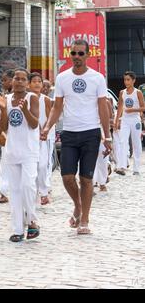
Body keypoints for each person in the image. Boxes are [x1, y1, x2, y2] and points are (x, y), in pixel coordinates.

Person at [41, 39, 112, 235]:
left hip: (91, 133)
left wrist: (107, 136)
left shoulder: (97, 78)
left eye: (81, 53)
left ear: (87, 55)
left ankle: (85, 220)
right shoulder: (62, 78)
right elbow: (57, 107)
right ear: (69, 55)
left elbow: (103, 108)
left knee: (86, 179)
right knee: (67, 177)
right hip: (70, 133)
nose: (77, 57)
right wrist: (47, 127)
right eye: (74, 53)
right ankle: (78, 206)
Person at [0, 68, 41, 242]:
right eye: (17, 78)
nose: (20, 81)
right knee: (14, 191)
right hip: (12, 151)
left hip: (29, 151)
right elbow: (4, 127)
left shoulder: (32, 98)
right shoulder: (6, 99)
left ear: (28, 83)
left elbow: (34, 124)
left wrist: (25, 111)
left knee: (27, 186)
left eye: (23, 79)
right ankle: (17, 229)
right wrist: (3, 109)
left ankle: (32, 221)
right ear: (12, 81)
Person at [29, 72, 53, 205]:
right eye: (34, 81)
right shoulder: (26, 98)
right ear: (29, 84)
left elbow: (50, 117)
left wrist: (45, 129)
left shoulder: (45, 99)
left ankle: (44, 191)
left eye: (39, 81)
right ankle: (34, 191)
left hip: (43, 137)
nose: (37, 83)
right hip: (29, 137)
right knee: (32, 165)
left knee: (43, 165)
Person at [114, 71, 145, 176]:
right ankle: (122, 166)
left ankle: (136, 168)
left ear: (133, 80)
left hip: (135, 120)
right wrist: (117, 121)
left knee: (136, 143)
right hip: (125, 120)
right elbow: (119, 108)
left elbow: (143, 107)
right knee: (123, 142)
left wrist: (132, 110)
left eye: (128, 80)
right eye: (125, 79)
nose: (126, 82)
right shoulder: (122, 92)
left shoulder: (138, 93)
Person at [0, 69, 15, 204]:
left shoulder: (21, 98)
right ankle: (3, 192)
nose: (3, 83)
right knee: (4, 166)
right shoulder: (5, 97)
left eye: (5, 80)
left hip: (19, 138)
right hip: (6, 136)